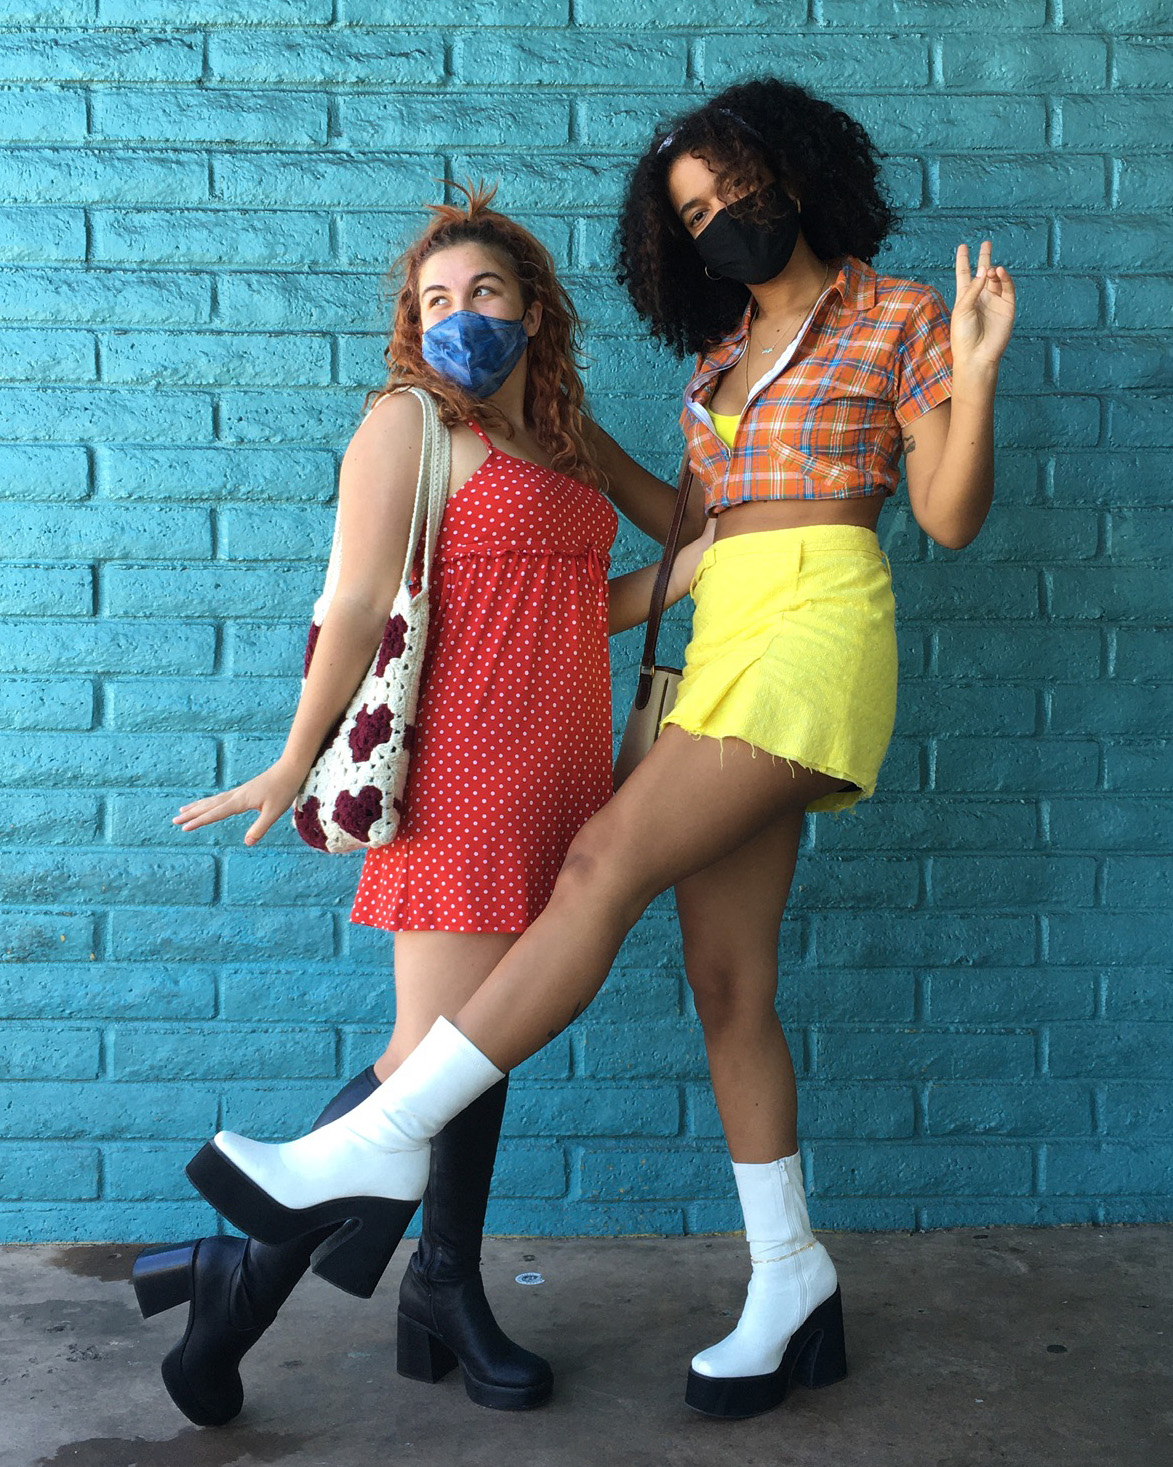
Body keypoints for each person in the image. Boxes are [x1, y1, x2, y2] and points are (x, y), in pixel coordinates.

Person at [183, 77, 1017, 1421]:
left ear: (797, 175)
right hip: (719, 642)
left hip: (816, 627)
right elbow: (667, 533)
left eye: (736, 190)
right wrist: (558, 449)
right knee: (728, 983)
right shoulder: (715, 362)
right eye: (694, 213)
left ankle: (376, 1146)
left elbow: (947, 513)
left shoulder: (899, 316)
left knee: (602, 862)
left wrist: (971, 384)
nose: (721, 220)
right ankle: (791, 1275)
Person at [132, 184, 710, 1426]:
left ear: (534, 306)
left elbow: (637, 566)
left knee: (474, 1051)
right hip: (459, 779)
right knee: (424, 1063)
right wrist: (293, 759)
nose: (463, 315)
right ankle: (231, 1294)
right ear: (412, 321)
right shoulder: (407, 422)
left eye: (485, 292)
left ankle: (440, 1289)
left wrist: (738, 463)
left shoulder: (564, 431)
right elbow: (349, 607)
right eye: (437, 298)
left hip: (560, 775)